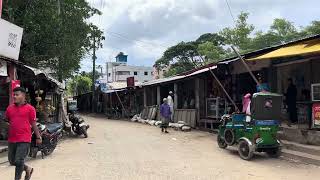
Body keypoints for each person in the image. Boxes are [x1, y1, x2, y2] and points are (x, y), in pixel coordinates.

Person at [5, 87, 42, 180]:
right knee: (12, 161)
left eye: (17, 94)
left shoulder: (30, 109)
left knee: (19, 160)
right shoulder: (10, 108)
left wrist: (38, 136)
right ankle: (28, 169)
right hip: (12, 139)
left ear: (23, 96)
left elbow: (33, 123)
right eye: (14, 94)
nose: (14, 96)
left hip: (24, 138)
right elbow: (7, 121)